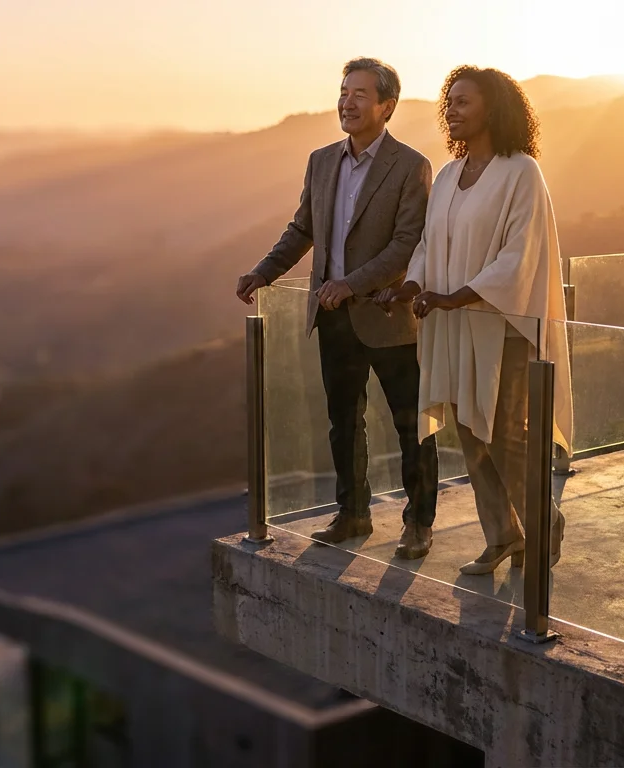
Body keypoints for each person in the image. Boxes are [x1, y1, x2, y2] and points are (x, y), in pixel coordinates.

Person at [237, 58, 439, 559]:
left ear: (386, 106)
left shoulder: (411, 165)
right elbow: (302, 228)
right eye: (344, 91)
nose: (346, 102)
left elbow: (407, 243)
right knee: (342, 421)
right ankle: (352, 514)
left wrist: (351, 283)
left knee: (410, 423)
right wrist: (264, 271)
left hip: (388, 315)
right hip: (332, 317)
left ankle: (418, 522)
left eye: (360, 94)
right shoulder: (321, 160)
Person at [376, 66, 572, 575]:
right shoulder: (447, 176)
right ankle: (503, 534)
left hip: (502, 324)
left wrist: (456, 297)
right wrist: (413, 287)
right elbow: (426, 245)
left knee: (505, 432)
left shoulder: (521, 171)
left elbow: (518, 256)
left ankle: (542, 520)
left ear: (494, 108)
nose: (452, 111)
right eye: (450, 102)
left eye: (464, 102)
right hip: (452, 323)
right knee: (468, 428)